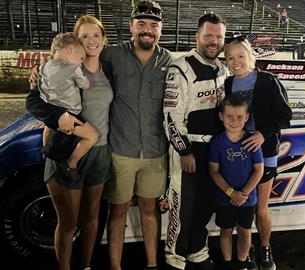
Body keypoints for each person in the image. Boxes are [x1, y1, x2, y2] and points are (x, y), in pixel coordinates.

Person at [26, 15, 113, 270]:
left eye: (96, 35)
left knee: (92, 218)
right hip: (67, 149)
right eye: (84, 36)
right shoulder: (62, 66)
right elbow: (32, 102)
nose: (91, 41)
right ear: (75, 41)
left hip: (99, 150)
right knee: (68, 222)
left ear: (103, 39)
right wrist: (57, 116)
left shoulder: (109, 68)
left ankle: (86, 265)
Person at [100, 1, 173, 269]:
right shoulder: (111, 56)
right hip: (122, 149)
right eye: (141, 24)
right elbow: (79, 68)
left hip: (155, 151)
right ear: (131, 26)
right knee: (117, 211)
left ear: (161, 30)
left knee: (149, 209)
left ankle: (152, 264)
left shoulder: (168, 60)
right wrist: (43, 74)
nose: (147, 30)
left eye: (154, 25)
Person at [163, 12, 228, 270]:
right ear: (197, 37)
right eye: (208, 36)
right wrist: (184, 151)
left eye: (219, 37)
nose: (214, 41)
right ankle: (174, 259)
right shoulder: (181, 67)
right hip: (188, 149)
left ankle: (197, 252)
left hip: (214, 150)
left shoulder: (223, 69)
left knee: (205, 205)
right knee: (182, 210)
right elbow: (170, 117)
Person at [224, 36, 292, 270]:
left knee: (261, 208)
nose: (236, 62)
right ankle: (247, 249)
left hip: (264, 152)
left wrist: (263, 133)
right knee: (245, 207)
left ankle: (264, 246)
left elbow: (285, 115)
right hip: (238, 155)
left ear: (251, 56)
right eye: (230, 57)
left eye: (241, 56)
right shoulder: (228, 83)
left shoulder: (268, 81)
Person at [208, 93, 264, 270]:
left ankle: (241, 263)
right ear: (221, 116)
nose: (234, 121)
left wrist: (244, 193)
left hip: (247, 199)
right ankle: (226, 263)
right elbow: (214, 171)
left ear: (247, 117)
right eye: (229, 117)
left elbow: (259, 170)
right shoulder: (217, 142)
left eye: (240, 117)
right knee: (225, 230)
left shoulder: (251, 140)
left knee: (245, 231)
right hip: (224, 198)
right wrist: (231, 193)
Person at [37, 32, 99, 181]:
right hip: (70, 114)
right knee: (92, 136)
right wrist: (87, 80)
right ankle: (72, 162)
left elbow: (39, 86)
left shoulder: (43, 67)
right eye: (81, 58)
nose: (80, 62)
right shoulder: (74, 69)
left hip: (51, 113)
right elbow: (85, 85)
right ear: (70, 50)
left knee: (48, 127)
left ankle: (45, 152)